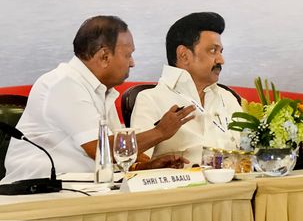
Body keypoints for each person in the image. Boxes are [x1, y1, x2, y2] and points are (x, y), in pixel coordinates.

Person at [2, 16, 192, 183]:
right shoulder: (63, 84)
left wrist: (147, 166)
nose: (132, 63)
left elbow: (118, 153)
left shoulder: (103, 91)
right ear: (104, 56)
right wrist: (160, 132)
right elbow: (101, 150)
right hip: (37, 194)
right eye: (128, 55)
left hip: (82, 190)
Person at [131, 12, 241, 166]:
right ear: (184, 55)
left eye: (220, 51)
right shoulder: (151, 99)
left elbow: (249, 150)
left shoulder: (227, 98)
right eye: (212, 51)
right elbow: (135, 161)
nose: (221, 60)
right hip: (181, 187)